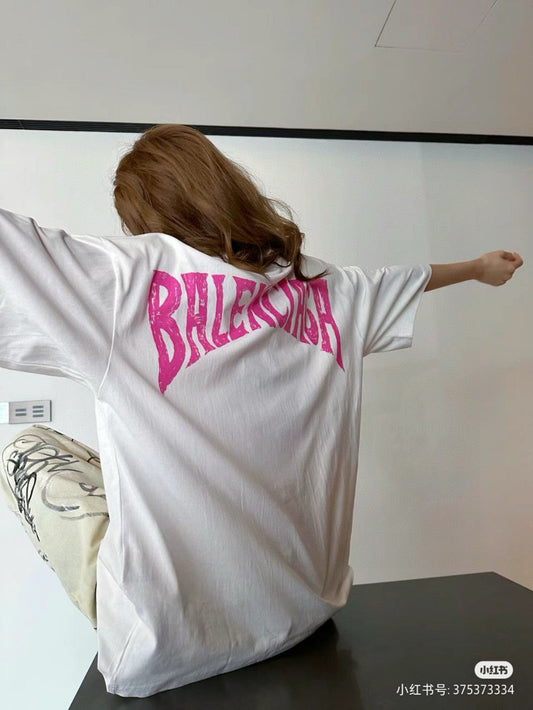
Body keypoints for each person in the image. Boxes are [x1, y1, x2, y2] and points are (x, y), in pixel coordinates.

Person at [0, 124, 523, 698]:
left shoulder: (126, 278)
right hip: (303, 611)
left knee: (27, 447)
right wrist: (478, 267)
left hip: (165, 643)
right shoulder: (328, 287)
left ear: (142, 217)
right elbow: (405, 280)